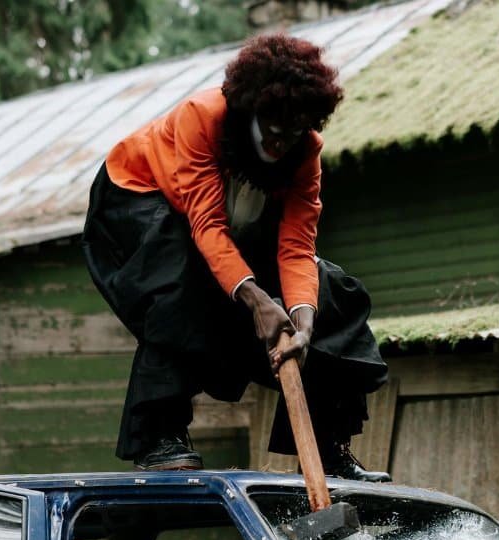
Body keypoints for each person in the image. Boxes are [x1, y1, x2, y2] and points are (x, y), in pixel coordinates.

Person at [82, 33, 390, 482]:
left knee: (333, 294)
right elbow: (206, 226)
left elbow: (298, 247)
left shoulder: (306, 152)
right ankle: (158, 437)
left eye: (295, 132)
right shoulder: (201, 117)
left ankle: (328, 446)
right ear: (251, 109)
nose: (282, 143)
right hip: (136, 201)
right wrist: (256, 299)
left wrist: (303, 318)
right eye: (274, 130)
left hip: (226, 222)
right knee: (182, 269)